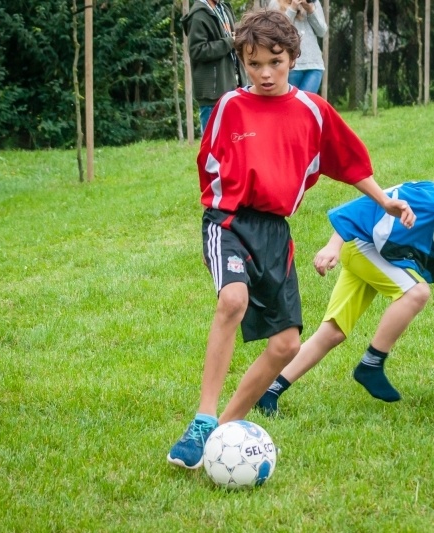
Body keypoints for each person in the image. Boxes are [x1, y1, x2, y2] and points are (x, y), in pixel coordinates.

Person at [167, 9, 416, 469]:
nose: (264, 73)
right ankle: (203, 419)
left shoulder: (312, 110)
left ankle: (223, 432)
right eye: (254, 63)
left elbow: (350, 162)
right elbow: (209, 165)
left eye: (275, 62)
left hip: (275, 232)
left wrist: (385, 202)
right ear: (242, 59)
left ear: (292, 56)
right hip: (228, 221)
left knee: (285, 345)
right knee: (232, 301)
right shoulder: (229, 107)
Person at [256, 179, 434, 416]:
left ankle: (268, 392)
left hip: (379, 256)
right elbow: (366, 205)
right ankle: (371, 365)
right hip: (362, 243)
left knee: (332, 333)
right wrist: (333, 245)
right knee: (416, 292)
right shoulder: (429, 201)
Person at [181, 0, 247, 134]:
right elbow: (197, 51)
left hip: (233, 85)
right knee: (212, 144)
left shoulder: (224, 7)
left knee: (234, 139)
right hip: (213, 92)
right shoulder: (198, 15)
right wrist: (229, 42)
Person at [267, 0, 327, 93]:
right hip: (291, 64)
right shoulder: (275, 3)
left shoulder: (314, 2)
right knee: (291, 104)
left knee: (306, 103)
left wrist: (311, 10)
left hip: (314, 64)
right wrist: (292, 8)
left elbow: (322, 31)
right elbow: (277, 32)